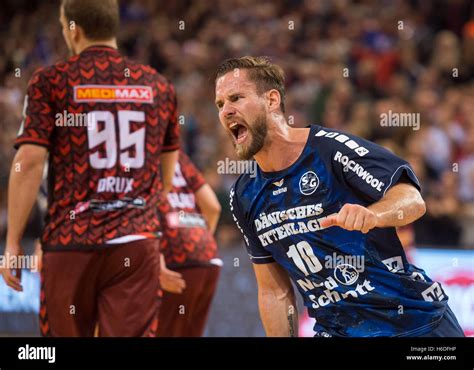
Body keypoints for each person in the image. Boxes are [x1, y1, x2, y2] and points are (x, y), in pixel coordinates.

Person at [214, 56, 464, 337]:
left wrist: (374, 215)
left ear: (271, 100)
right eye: (220, 104)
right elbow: (274, 291)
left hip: (414, 323)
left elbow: (412, 200)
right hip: (337, 331)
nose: (226, 111)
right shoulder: (244, 194)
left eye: (236, 98)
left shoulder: (330, 151)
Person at [1, 0, 180, 337]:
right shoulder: (158, 86)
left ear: (73, 29)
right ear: (113, 27)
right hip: (135, 242)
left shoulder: (51, 81)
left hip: (71, 242)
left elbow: (28, 163)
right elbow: (166, 177)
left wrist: (12, 243)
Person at [157, 150, 222, 337]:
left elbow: (145, 208)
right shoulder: (178, 155)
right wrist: (198, 239)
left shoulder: (138, 154)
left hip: (171, 259)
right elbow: (213, 207)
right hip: (209, 257)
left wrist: (157, 260)